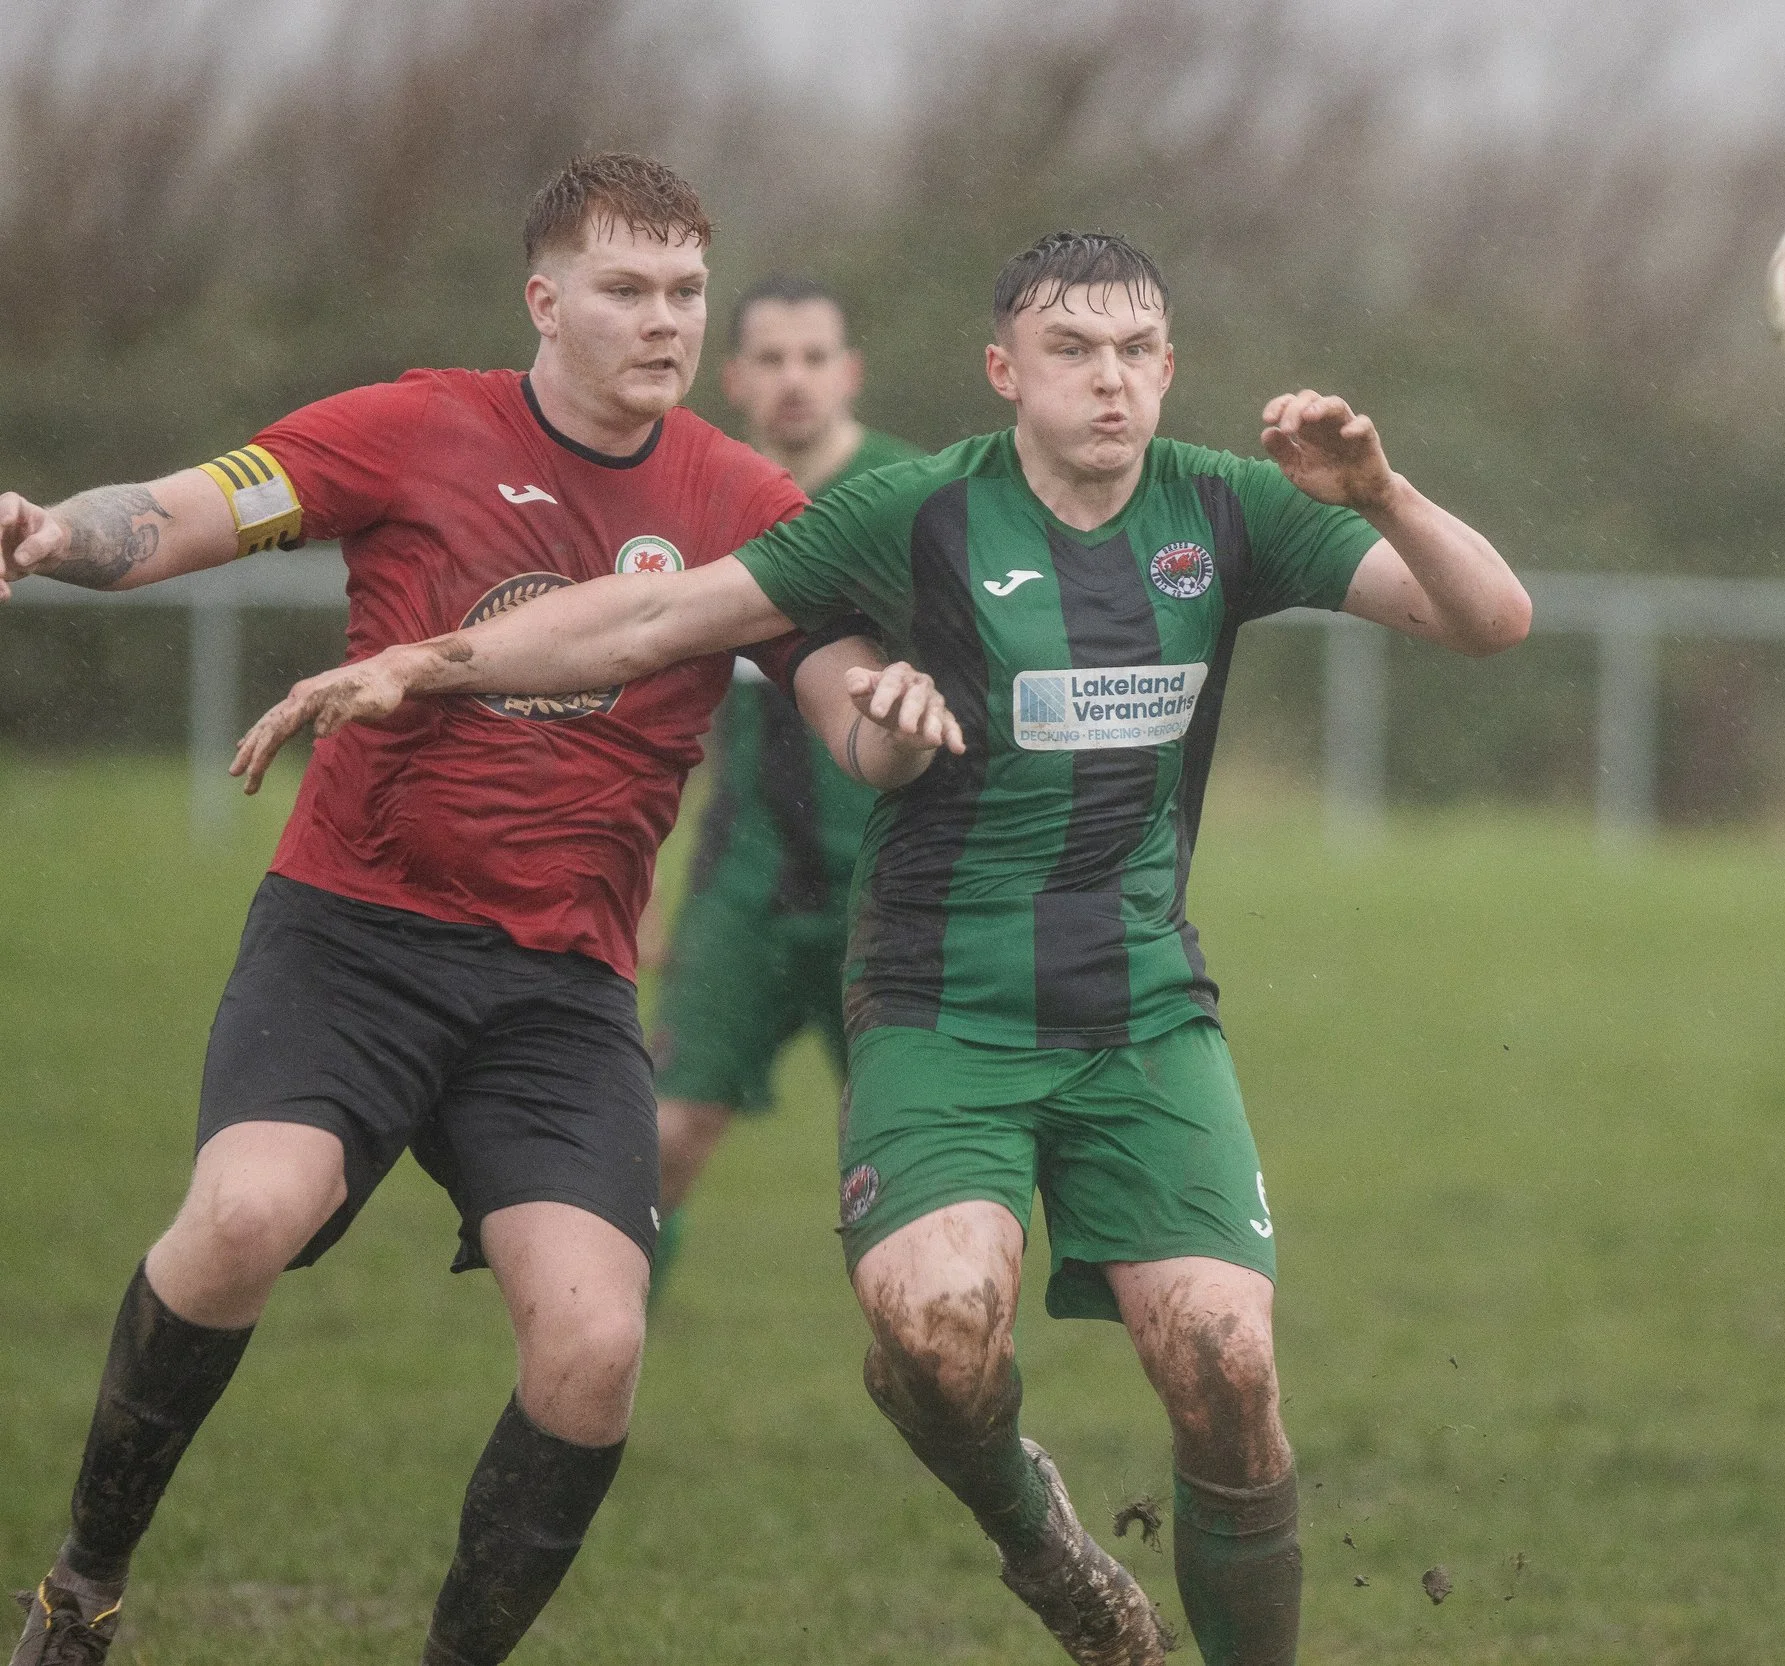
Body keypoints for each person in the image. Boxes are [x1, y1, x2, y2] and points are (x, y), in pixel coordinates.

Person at [232, 229, 1534, 1666]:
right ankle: (1041, 1539)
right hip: (937, 1011)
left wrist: (1384, 493)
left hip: (1144, 1012)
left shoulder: (1225, 508)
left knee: (1227, 1366)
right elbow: (664, 612)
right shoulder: (915, 514)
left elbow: (1491, 620)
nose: (1111, 380)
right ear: (1004, 371)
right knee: (939, 1333)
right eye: (1072, 351)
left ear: (1170, 367)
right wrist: (428, 658)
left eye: (1136, 351)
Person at [0, 154, 944, 1666]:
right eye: (627, 289)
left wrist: (896, 711)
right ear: (544, 298)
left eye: (686, 290)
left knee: (597, 1344)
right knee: (245, 1212)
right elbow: (187, 510)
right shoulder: (415, 423)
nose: (664, 320)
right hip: (350, 939)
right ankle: (83, 1582)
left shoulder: (740, 498)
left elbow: (850, 715)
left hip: (559, 987)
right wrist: (55, 534)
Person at [645, 276, 924, 1296]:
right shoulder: (698, 503)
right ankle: (602, 1356)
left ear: (848, 372)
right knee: (660, 1137)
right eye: (771, 358)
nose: (794, 379)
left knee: (901, 1170)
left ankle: (939, 1376)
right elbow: (659, 716)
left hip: (892, 890)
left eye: (814, 357)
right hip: (746, 885)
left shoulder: (915, 493)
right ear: (734, 379)